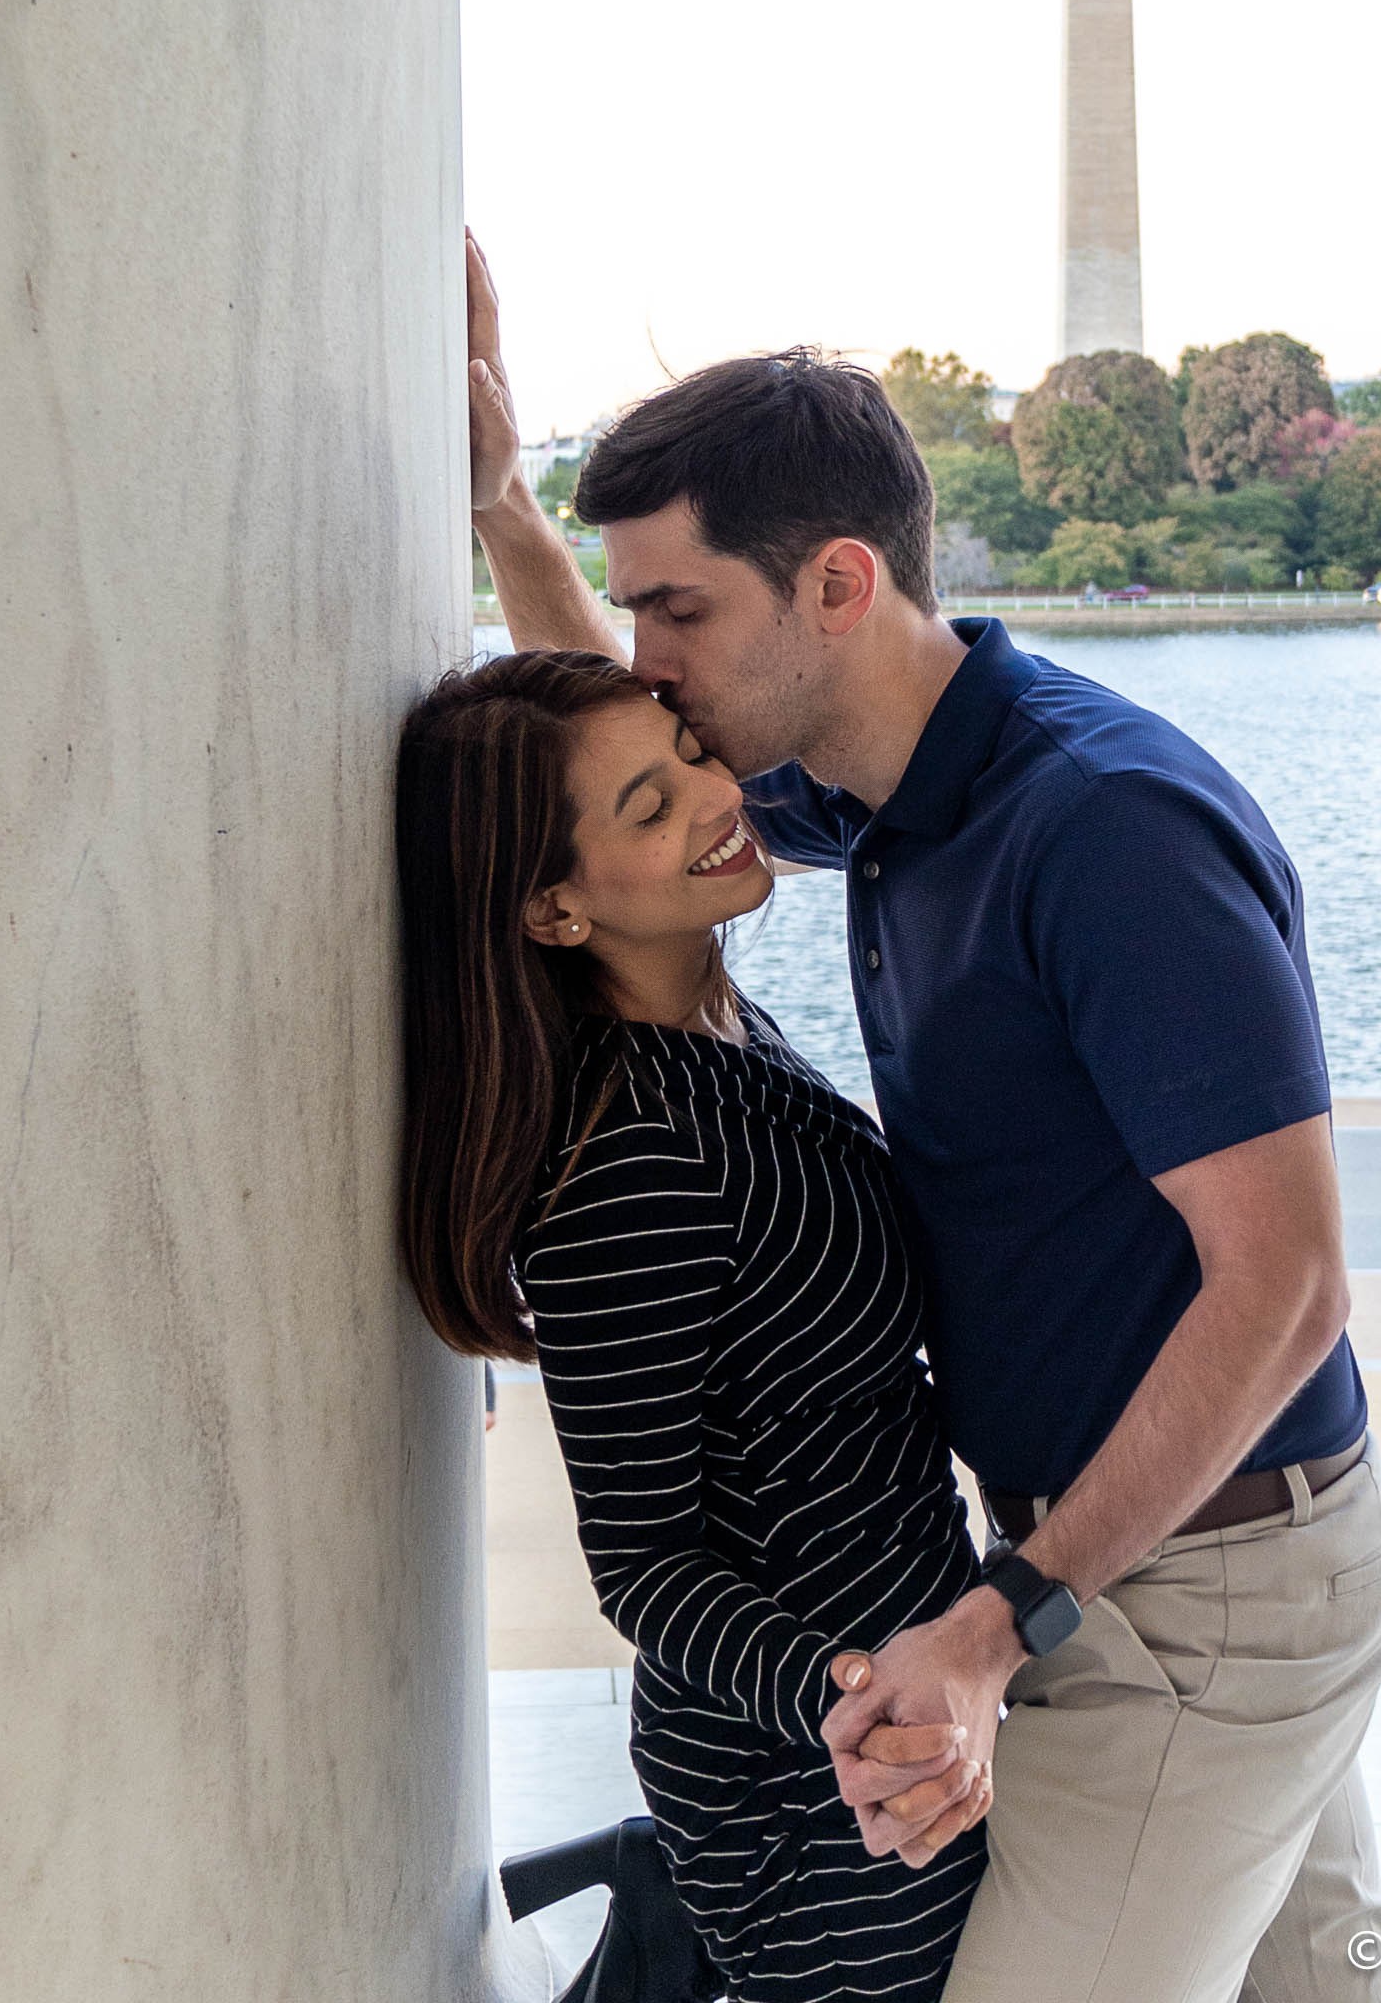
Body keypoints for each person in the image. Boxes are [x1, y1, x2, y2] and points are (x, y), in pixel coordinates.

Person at [464, 233, 1381, 2003]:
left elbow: (1286, 1287)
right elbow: (611, 808)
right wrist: (513, 519)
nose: (647, 663)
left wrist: (997, 1621)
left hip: (1195, 1599)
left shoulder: (1103, 831)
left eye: (675, 613)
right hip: (1147, 1559)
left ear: (832, 584)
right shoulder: (883, 789)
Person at [395, 649, 992, 2003]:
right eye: (649, 812)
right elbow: (644, 1564)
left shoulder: (706, 1014)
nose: (717, 801)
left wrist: (509, 523)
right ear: (551, 909)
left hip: (912, 1703)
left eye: (693, 756)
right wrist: (856, 1701)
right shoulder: (630, 1165)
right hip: (818, 1791)